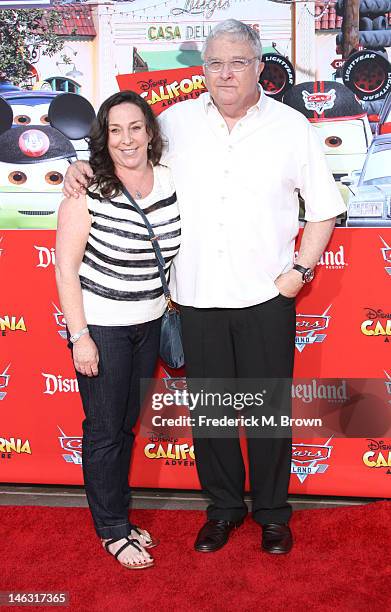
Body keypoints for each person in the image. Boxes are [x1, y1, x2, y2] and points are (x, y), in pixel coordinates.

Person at [63, 20, 346, 555]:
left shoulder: (292, 128)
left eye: (238, 61)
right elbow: (127, 160)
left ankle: (271, 513)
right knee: (213, 414)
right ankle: (222, 510)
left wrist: (300, 272)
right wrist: (80, 167)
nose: (225, 73)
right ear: (204, 70)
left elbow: (326, 208)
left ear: (259, 67)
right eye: (214, 63)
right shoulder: (175, 122)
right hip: (194, 297)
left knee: (265, 412)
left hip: (267, 296)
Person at [56, 90, 180, 569]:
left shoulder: (171, 179)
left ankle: (119, 518)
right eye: (114, 130)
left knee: (125, 427)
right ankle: (110, 530)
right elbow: (66, 270)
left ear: (150, 132)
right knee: (105, 431)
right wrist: (80, 336)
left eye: (135, 127)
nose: (126, 139)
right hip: (103, 328)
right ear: (102, 139)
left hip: (149, 324)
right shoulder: (87, 190)